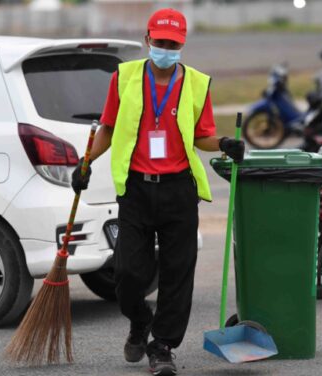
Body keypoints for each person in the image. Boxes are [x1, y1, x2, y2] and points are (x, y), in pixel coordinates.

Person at [71, 8, 244, 376]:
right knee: (128, 273)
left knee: (178, 274)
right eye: (160, 42)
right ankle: (139, 318)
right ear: (148, 40)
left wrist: (225, 143)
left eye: (173, 44)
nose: (166, 49)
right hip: (135, 188)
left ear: (182, 45)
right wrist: (85, 162)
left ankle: (162, 346)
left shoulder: (197, 84)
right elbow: (108, 127)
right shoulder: (125, 77)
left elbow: (202, 136)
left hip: (179, 189)